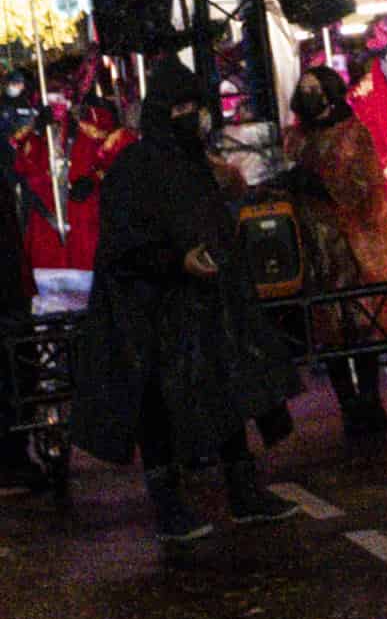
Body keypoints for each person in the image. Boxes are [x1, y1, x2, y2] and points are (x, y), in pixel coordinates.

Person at [67, 70, 300, 545]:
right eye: (180, 110)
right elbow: (123, 246)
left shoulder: (197, 163)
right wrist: (175, 261)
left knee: (231, 396)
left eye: (193, 107)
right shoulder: (135, 168)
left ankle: (244, 492)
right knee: (158, 411)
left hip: (209, 308)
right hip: (156, 311)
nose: (190, 117)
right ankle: (169, 506)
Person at [286, 63, 387, 442]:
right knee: (329, 329)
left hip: (351, 246)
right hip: (315, 249)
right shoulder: (295, 139)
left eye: (315, 86)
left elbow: (365, 186)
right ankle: (348, 404)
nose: (309, 93)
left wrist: (322, 186)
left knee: (361, 324)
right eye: (304, 87)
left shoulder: (354, 133)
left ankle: (370, 398)